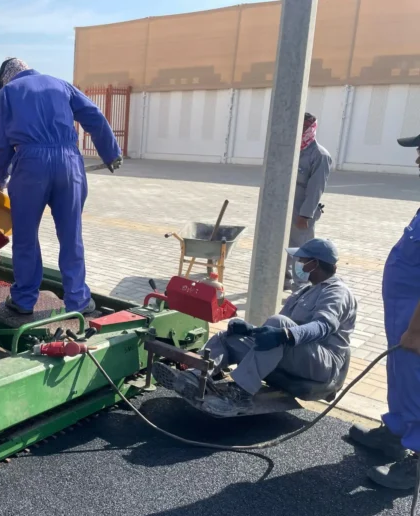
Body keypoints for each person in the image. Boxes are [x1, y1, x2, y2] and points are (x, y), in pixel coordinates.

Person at [155, 238, 356, 418]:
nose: (299, 265)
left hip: (323, 365)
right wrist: (250, 330)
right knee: (229, 336)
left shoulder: (337, 293)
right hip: (295, 353)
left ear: (315, 263)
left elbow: (323, 326)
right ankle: (196, 376)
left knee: (278, 322)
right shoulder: (304, 292)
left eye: (303, 261)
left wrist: (284, 333)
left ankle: (241, 393)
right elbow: (274, 336)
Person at [0, 58, 122, 315]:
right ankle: (78, 300)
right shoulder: (61, 85)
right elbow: (94, 116)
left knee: (25, 236)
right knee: (71, 235)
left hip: (30, 165)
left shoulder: (7, 93)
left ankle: (24, 299)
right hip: (69, 163)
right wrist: (111, 153)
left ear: (6, 77)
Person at [348, 133, 420, 490]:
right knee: (402, 376)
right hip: (404, 317)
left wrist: (417, 330)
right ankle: (395, 433)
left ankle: (417, 461)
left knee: (417, 381)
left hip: (417, 323)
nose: (418, 160)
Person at [285, 113, 333, 291]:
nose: (301, 131)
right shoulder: (290, 150)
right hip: (284, 207)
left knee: (301, 250)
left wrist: (305, 215)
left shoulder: (320, 155)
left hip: (302, 210)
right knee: (283, 245)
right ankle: (283, 279)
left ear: (311, 129)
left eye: (304, 128)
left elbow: (315, 189)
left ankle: (301, 287)